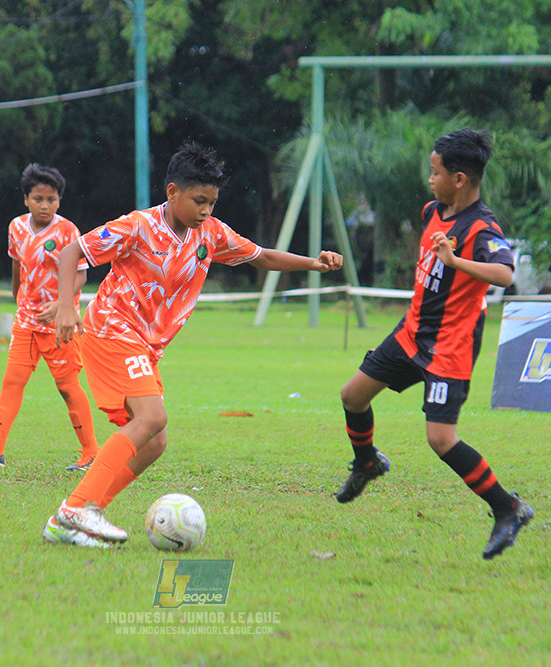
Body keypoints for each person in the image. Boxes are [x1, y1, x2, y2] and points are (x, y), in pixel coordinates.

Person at [40, 142, 343, 548]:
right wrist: (64, 307)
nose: (206, 211)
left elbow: (261, 257)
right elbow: (73, 250)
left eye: (213, 203)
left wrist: (313, 263)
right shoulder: (138, 226)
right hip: (112, 329)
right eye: (199, 201)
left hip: (143, 345)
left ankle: (76, 517)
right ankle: (76, 508)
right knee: (151, 418)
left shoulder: (211, 234)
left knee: (155, 441)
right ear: (172, 193)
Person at [333, 129, 533, 561]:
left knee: (441, 439)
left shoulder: (483, 227)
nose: (430, 178)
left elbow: (504, 275)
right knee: (352, 396)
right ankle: (367, 462)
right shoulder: (432, 211)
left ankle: (508, 507)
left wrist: (456, 261)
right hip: (411, 333)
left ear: (459, 178)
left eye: (435, 171)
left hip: (450, 346)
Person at [0, 164, 100, 471]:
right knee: (12, 382)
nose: (45, 205)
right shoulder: (16, 227)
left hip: (59, 325)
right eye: (38, 198)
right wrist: (17, 296)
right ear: (26, 199)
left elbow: (81, 276)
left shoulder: (67, 232)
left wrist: (63, 304)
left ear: (59, 201)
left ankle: (91, 452)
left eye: (51, 199)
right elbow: (16, 266)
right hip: (25, 323)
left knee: (67, 387)